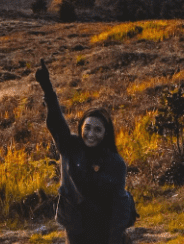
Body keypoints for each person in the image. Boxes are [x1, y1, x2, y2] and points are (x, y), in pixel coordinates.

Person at [35, 59, 137, 244]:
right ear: (81, 126)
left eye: (98, 130)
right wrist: (48, 89)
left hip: (105, 230)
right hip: (75, 227)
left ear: (106, 133)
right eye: (87, 127)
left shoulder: (114, 162)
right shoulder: (70, 146)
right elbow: (57, 123)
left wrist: (114, 239)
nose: (91, 134)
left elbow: (119, 205)